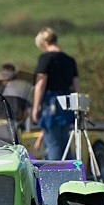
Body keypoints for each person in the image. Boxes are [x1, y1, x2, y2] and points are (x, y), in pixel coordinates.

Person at [31, 27, 79, 160]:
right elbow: (75, 86)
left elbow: (40, 84)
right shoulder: (69, 60)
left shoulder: (45, 59)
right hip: (67, 104)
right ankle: (71, 173)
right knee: (65, 143)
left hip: (51, 104)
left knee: (53, 144)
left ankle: (55, 176)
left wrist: (35, 108)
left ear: (43, 42)